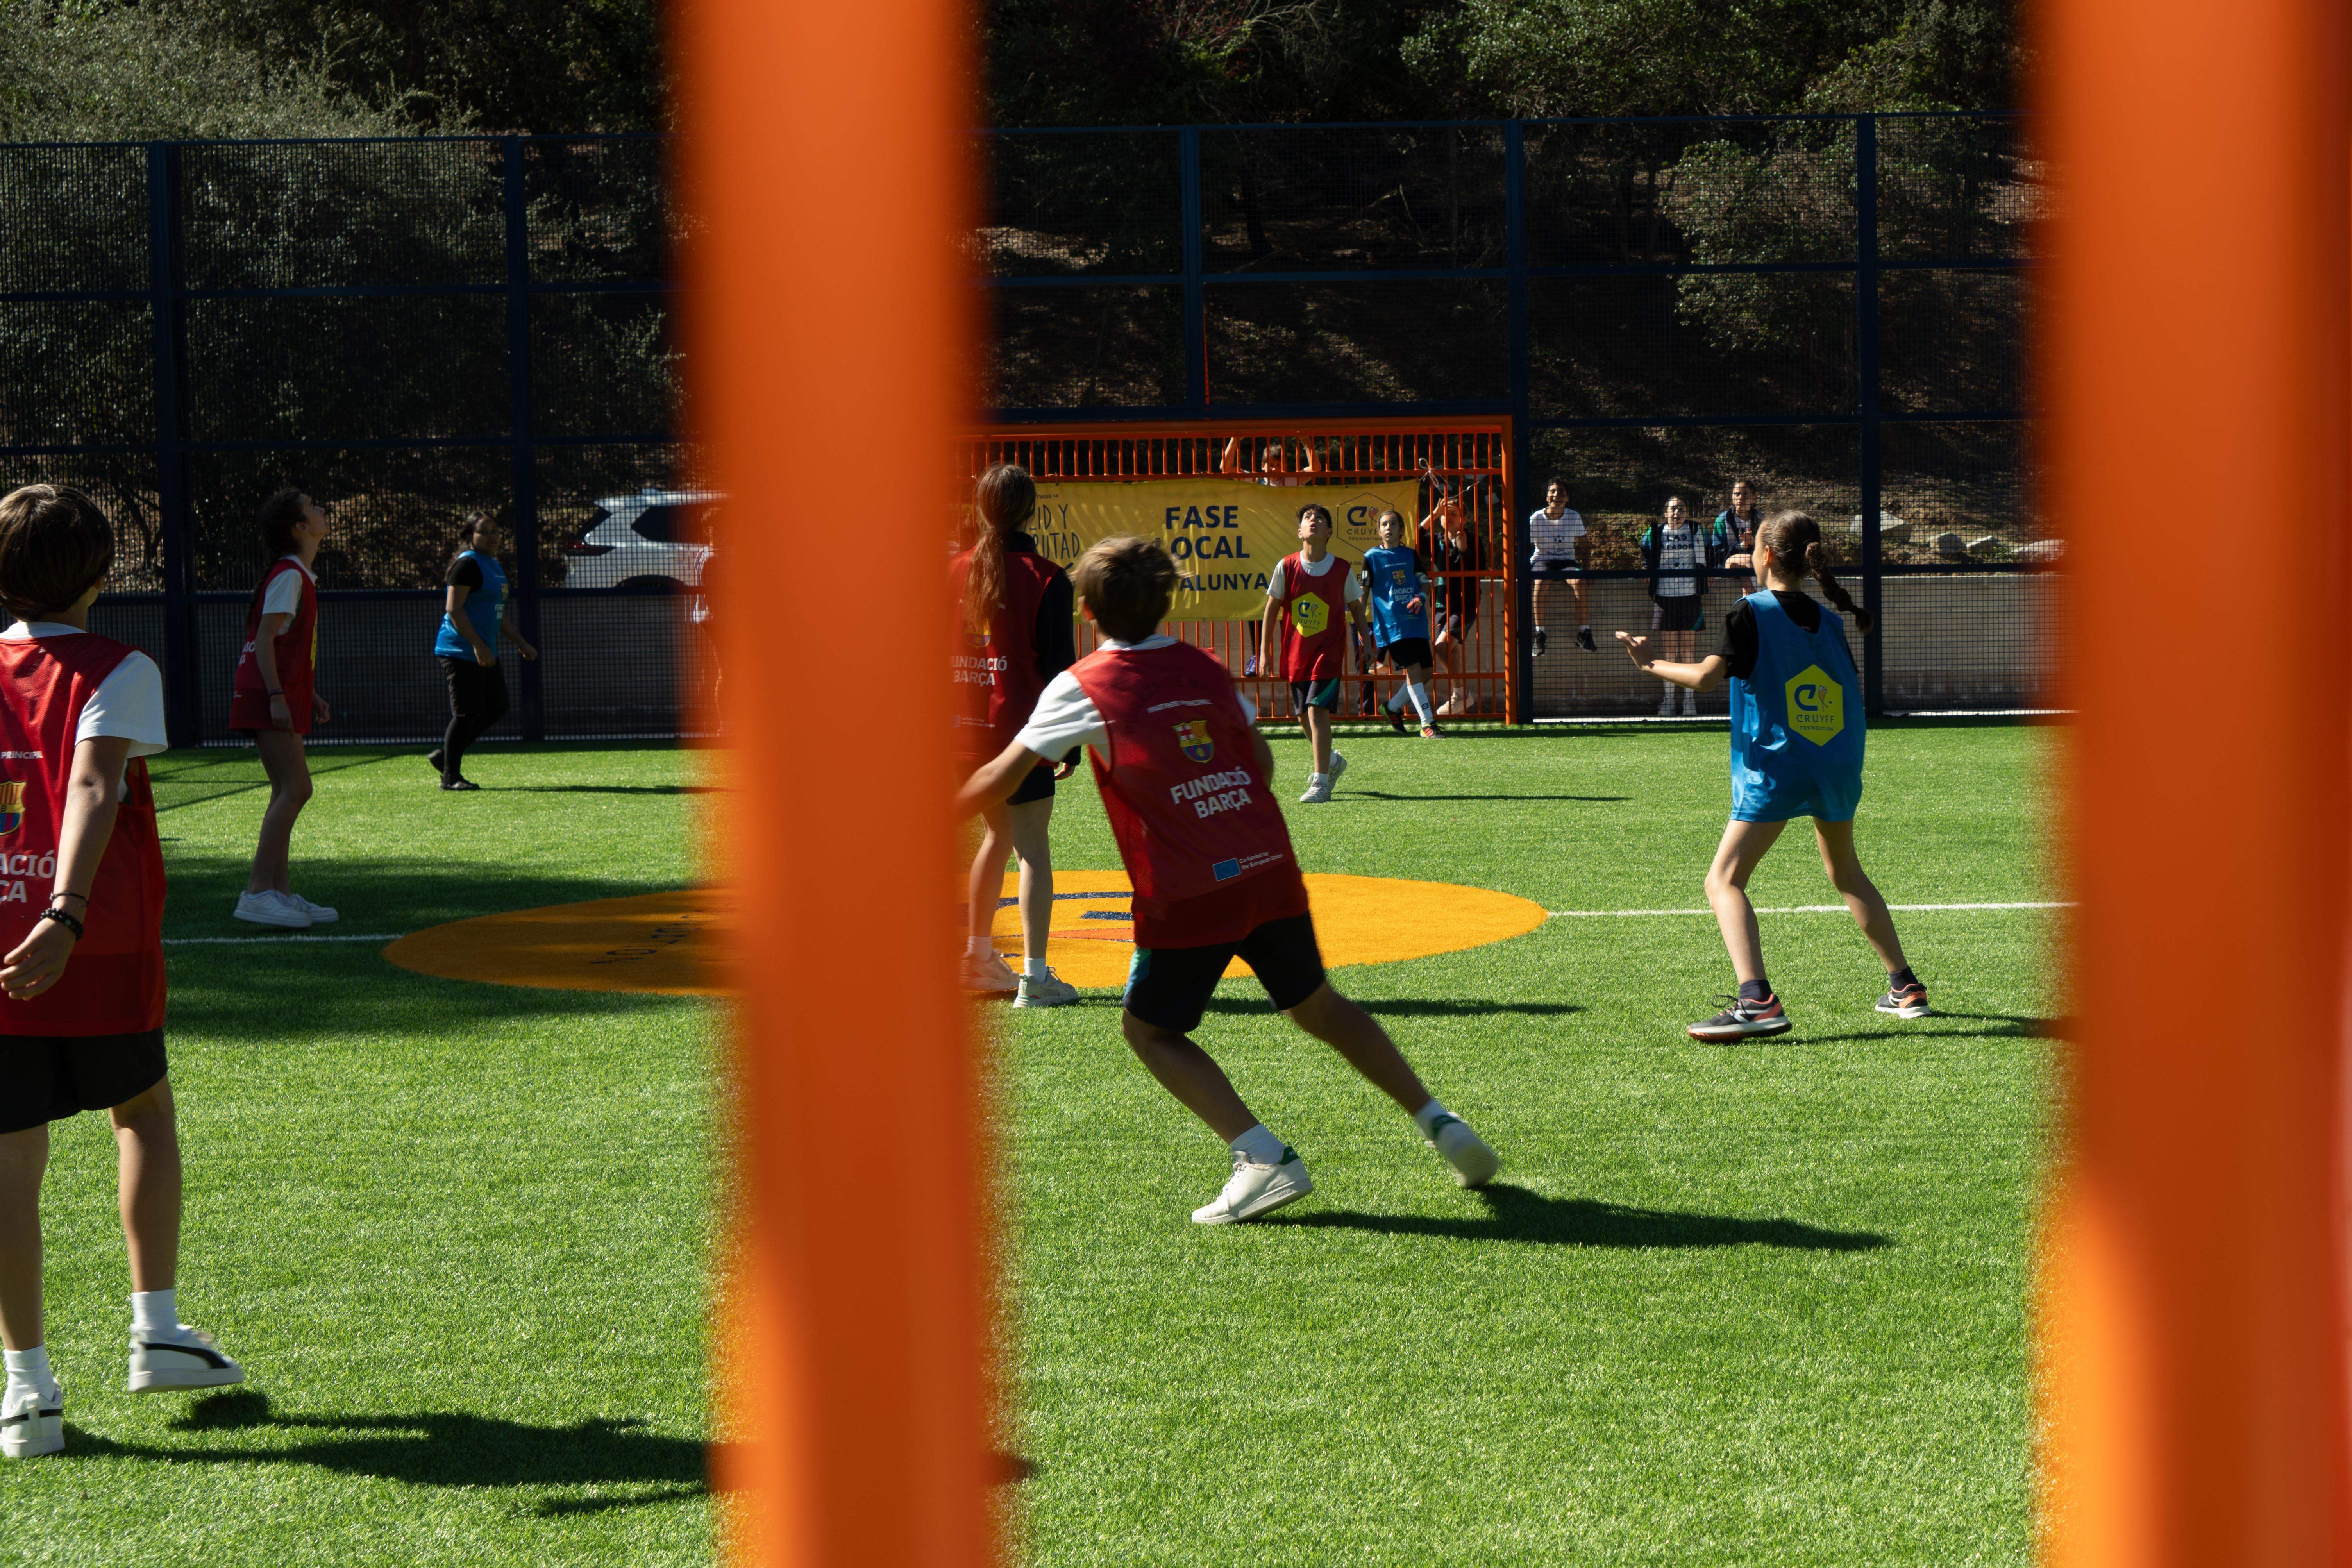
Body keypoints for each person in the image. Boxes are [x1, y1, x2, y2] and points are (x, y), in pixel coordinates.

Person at [954, 534, 1501, 1224]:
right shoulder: (1205, 665)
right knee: (1321, 1007)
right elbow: (1262, 768)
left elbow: (999, 776)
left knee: (1149, 1033)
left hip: (1187, 890)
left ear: (1087, 611)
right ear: (1168, 602)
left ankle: (1263, 1157)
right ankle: (1439, 1121)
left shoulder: (1082, 683)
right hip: (1268, 866)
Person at [0, 485, 243, 1463]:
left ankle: (26, 1394)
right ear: (103, 576)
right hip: (93, 942)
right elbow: (95, 781)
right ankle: (156, 1330)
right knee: (141, 1111)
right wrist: (67, 912)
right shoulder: (119, 667)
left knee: (11, 1163)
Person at [1614, 509, 1930, 1042]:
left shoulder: (1750, 611)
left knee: (1724, 880)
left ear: (1763, 555)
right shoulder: (1830, 619)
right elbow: (1843, 692)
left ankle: (1756, 999)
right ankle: (1905, 986)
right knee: (1846, 872)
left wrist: (1649, 665)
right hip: (1837, 759)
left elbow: (1705, 679)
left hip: (1781, 762)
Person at [951, 463, 1079, 1007]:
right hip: (1022, 735)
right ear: (1031, 510)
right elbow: (1059, 669)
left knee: (996, 838)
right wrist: (1067, 744)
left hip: (961, 734)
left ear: (981, 509)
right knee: (1032, 849)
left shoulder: (952, 570)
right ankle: (1035, 976)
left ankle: (978, 959)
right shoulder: (1047, 576)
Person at [227, 488, 334, 927]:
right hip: (267, 694)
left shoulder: (297, 573)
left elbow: (284, 643)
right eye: (314, 507)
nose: (322, 509)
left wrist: (306, 693)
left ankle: (280, 893)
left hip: (277, 693)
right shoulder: (290, 574)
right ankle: (256, 892)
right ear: (300, 528)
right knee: (297, 789)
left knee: (285, 791)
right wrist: (276, 696)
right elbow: (266, 640)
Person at [1258, 502, 1366, 804]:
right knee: (1303, 717)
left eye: (1320, 518)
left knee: (1318, 711)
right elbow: (1271, 609)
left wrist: (1367, 642)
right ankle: (1332, 761)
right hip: (1297, 654)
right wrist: (1264, 652)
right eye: (1308, 518)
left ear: (1329, 531)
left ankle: (1321, 782)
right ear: (1300, 532)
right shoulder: (1287, 566)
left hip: (1328, 654)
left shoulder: (1342, 568)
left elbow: (1357, 607)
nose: (1314, 521)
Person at [428, 511, 538, 792]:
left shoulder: (493, 565)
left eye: (496, 531)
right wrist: (477, 644)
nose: (492, 536)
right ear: (469, 537)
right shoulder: (467, 565)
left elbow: (497, 615)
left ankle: (446, 757)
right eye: (484, 531)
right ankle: (450, 776)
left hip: (483, 649)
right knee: (466, 712)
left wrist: (521, 643)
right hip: (460, 649)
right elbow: (454, 608)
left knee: (498, 706)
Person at [1636, 496, 1731, 718]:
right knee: (1670, 651)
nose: (1677, 512)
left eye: (1681, 508)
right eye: (1672, 508)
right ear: (1665, 512)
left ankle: (1689, 701)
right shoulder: (1655, 531)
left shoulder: (1697, 530)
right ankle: (1669, 701)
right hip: (1665, 596)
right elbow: (1645, 552)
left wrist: (1707, 574)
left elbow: (1710, 552)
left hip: (1690, 595)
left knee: (1688, 650)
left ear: (1687, 512)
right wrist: (1646, 572)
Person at [1360, 510, 1440, 737]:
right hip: (1392, 626)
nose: (1388, 528)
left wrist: (1421, 598)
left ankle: (1392, 708)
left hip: (1416, 622)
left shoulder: (1411, 555)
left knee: (1426, 673)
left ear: (1402, 529)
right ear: (1378, 531)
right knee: (1413, 670)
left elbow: (1424, 583)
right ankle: (1427, 724)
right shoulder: (1371, 557)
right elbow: (1363, 593)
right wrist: (1362, 627)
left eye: (1393, 524)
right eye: (1384, 524)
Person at [1421, 477, 1487, 716]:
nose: (1449, 517)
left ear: (1464, 519)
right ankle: (1462, 696)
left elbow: (1478, 569)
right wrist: (1432, 514)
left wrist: (1464, 548)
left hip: (1464, 604)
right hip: (1441, 603)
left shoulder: (1472, 539)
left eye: (1455, 514)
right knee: (1453, 651)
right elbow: (1415, 540)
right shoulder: (1436, 540)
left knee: (1441, 648)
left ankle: (1460, 695)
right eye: (1445, 514)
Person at [1526, 477, 1593, 657]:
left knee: (1579, 582)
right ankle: (1540, 634)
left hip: (1568, 561)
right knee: (1541, 582)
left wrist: (1587, 569)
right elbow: (1525, 546)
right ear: (1547, 497)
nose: (1557, 495)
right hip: (1543, 559)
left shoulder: (1574, 516)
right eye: (1553, 492)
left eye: (1561, 492)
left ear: (1567, 498)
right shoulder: (1536, 519)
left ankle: (1584, 633)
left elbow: (1586, 545)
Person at [1717, 479, 1764, 594]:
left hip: (1756, 562)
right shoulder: (1723, 520)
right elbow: (1717, 552)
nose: (1740, 498)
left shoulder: (1761, 519)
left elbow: (1767, 549)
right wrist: (1741, 547)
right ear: (1733, 497)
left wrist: (1753, 544)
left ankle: (1748, 600)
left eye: (1746, 494)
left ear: (1753, 498)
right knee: (1748, 560)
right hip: (1729, 564)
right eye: (1737, 494)